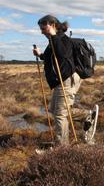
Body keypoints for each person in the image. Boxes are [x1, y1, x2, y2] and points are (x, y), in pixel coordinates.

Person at [33, 15, 81, 145]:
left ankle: (62, 147)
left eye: (43, 28)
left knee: (60, 114)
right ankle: (87, 115)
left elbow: (63, 54)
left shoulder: (62, 39)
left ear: (53, 25)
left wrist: (53, 35)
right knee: (56, 110)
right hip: (60, 81)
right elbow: (52, 57)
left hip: (66, 80)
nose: (42, 31)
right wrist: (40, 55)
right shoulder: (53, 40)